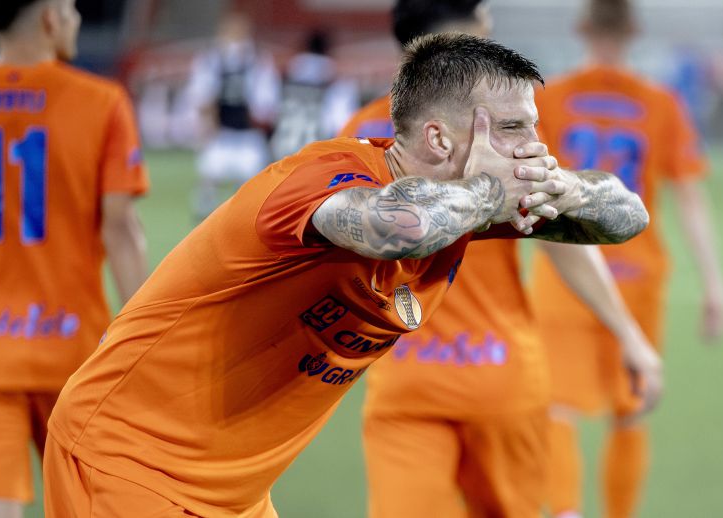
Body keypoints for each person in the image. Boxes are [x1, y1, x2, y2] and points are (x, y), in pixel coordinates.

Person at [44, 33, 649, 517]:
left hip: (233, 490)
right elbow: (400, 227)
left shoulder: (466, 203)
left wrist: (564, 188)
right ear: (439, 139)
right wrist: (491, 189)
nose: (534, 145)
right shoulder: (326, 177)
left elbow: (627, 216)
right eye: (514, 128)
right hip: (130, 459)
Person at [340, 1, 660, 516]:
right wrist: (628, 333)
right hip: (499, 371)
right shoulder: (504, 134)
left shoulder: (359, 134)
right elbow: (561, 235)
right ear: (469, 33)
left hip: (405, 377)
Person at [527, 1, 723, 517]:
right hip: (636, 272)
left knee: (560, 405)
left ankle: (565, 511)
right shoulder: (657, 102)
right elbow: (689, 195)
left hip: (567, 272)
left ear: (584, 30)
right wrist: (713, 282)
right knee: (632, 407)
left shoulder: (553, 98)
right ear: (632, 33)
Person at [0, 0, 149, 516]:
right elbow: (121, 231)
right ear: (51, 17)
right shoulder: (100, 102)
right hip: (76, 356)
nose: (77, 18)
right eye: (73, 8)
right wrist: (148, 345)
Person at [183, 9, 280, 220]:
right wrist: (206, 124)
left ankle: (239, 219)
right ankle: (206, 223)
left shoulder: (258, 60)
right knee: (209, 179)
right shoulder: (211, 59)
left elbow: (266, 103)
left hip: (248, 135)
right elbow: (201, 96)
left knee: (249, 187)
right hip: (221, 133)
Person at [270, 30, 359, 161]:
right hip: (316, 154)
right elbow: (342, 124)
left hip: (281, 152)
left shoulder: (285, 73)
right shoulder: (336, 79)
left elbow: (266, 111)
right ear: (328, 49)